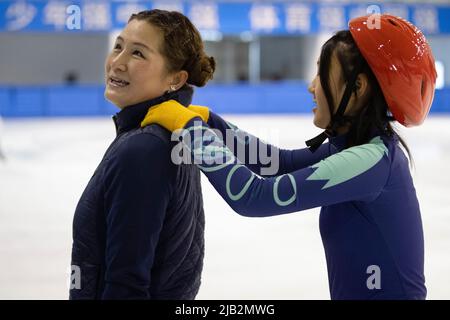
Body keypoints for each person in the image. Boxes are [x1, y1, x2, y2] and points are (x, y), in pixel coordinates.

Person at [141, 14, 437, 299]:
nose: (312, 86)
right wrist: (213, 123)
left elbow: (256, 197)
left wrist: (191, 130)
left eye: (321, 73)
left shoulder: (369, 162)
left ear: (357, 89)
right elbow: (278, 163)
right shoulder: (359, 149)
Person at [69, 9, 215, 299]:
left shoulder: (145, 148)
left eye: (138, 54)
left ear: (175, 78)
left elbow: (127, 285)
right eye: (119, 46)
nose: (117, 63)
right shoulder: (166, 136)